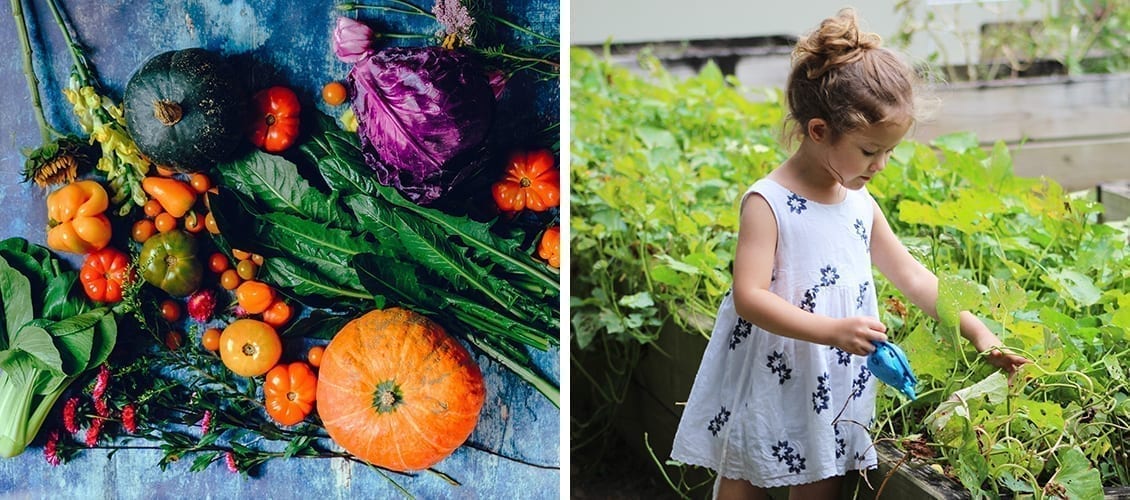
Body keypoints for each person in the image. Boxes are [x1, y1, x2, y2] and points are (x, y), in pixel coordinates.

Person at [669, 8, 1028, 500]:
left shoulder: (859, 203)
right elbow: (749, 296)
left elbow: (914, 278)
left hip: (833, 379)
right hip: (775, 370)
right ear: (819, 131)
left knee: (823, 478)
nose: (880, 165)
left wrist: (980, 334)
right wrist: (832, 330)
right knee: (745, 474)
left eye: (889, 153)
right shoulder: (769, 203)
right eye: (868, 151)